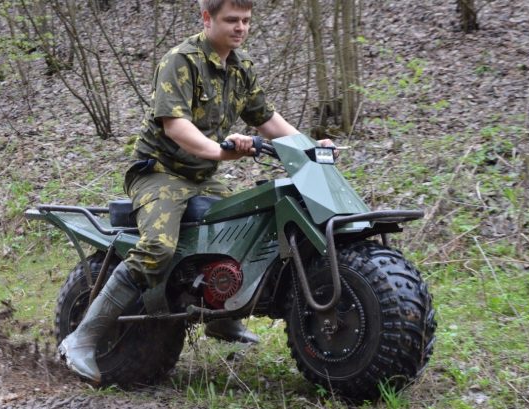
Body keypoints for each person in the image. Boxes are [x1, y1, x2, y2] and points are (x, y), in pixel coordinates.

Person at [59, 0, 335, 382]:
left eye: (246, 21)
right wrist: (220, 150)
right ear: (207, 18)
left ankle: (221, 317)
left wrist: (310, 147)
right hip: (159, 173)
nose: (240, 28)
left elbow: (268, 120)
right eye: (231, 20)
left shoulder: (240, 66)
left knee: (243, 233)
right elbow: (175, 126)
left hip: (203, 176)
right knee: (159, 248)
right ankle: (82, 339)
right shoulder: (180, 61)